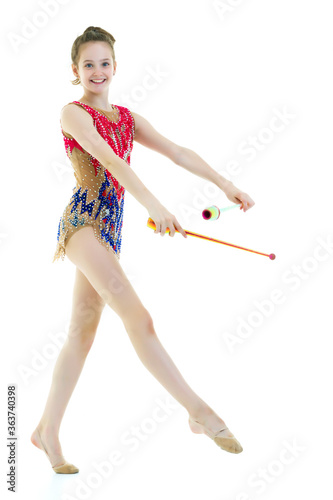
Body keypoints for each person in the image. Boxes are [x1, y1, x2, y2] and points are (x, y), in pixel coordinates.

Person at [31, 26, 255, 474]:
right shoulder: (72, 113)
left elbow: (176, 151)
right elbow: (108, 160)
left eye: (104, 62)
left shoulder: (128, 119)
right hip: (82, 224)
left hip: (110, 232)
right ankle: (198, 410)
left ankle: (45, 432)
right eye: (88, 64)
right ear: (75, 71)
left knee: (82, 331)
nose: (97, 71)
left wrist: (224, 184)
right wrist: (155, 205)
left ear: (115, 67)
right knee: (140, 318)